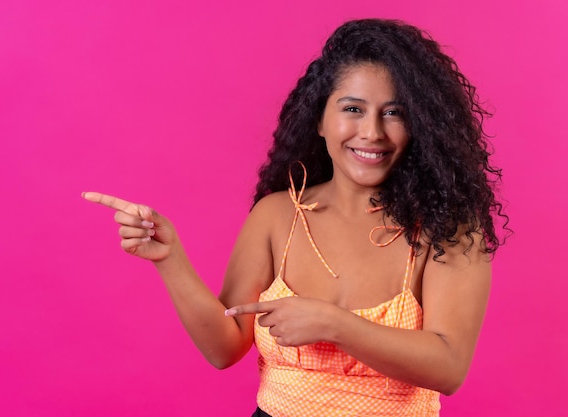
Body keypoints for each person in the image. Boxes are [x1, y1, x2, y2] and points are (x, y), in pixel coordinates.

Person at [83, 18, 508, 417]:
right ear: (320, 120)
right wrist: (169, 258)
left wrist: (333, 324)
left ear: (420, 127)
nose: (373, 132)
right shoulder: (277, 216)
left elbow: (448, 367)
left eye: (394, 113)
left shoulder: (447, 229)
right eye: (353, 109)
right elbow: (223, 349)